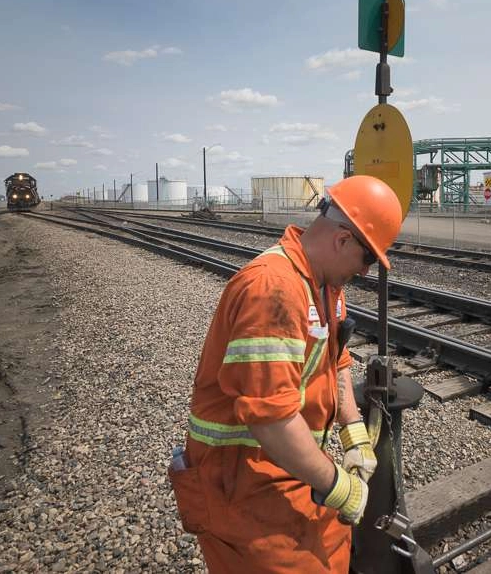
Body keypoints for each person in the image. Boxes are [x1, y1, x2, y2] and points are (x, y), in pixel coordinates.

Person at [169, 175, 404, 573]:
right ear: (342, 239)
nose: (365, 272)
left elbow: (337, 360)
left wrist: (353, 431)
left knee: (332, 555)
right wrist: (337, 486)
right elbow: (271, 419)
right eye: (367, 259)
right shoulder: (273, 291)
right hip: (241, 484)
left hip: (289, 469)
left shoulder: (326, 286)